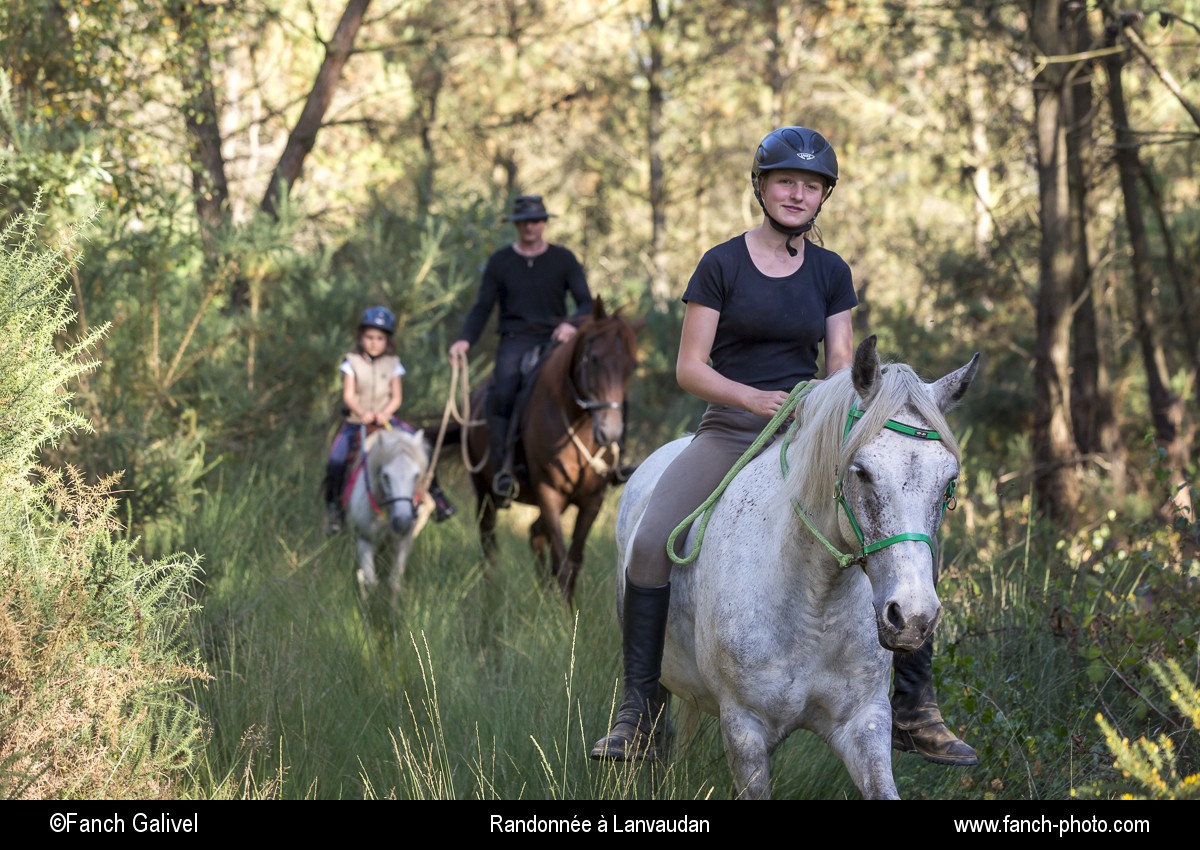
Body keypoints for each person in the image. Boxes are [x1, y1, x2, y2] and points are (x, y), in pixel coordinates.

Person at [589, 126, 977, 768]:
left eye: (811, 186)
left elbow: (843, 367)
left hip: (810, 432)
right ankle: (639, 710)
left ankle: (913, 706)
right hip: (731, 428)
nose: (797, 194)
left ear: (823, 197)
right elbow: (690, 367)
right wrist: (750, 399)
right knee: (652, 538)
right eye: (785, 182)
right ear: (762, 187)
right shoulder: (721, 264)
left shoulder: (831, 271)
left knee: (902, 530)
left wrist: (828, 412)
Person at [447, 194, 595, 507]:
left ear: (545, 223)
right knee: (501, 391)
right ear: (517, 225)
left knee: (598, 380)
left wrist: (571, 324)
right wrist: (465, 340)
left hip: (556, 339)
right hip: (515, 339)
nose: (531, 226)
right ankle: (503, 470)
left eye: (537, 220)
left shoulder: (563, 259)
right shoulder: (500, 262)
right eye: (525, 221)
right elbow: (482, 307)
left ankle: (612, 460)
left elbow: (586, 302)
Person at [324, 305, 457, 533]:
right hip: (358, 421)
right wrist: (361, 411)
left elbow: (396, 396)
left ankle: (437, 497)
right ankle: (335, 510)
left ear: (387, 340)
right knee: (336, 461)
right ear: (361, 337)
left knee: (421, 447)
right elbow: (348, 395)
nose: (374, 342)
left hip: (386, 420)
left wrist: (386, 412)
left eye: (379, 338)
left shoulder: (394, 364)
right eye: (369, 337)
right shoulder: (351, 362)